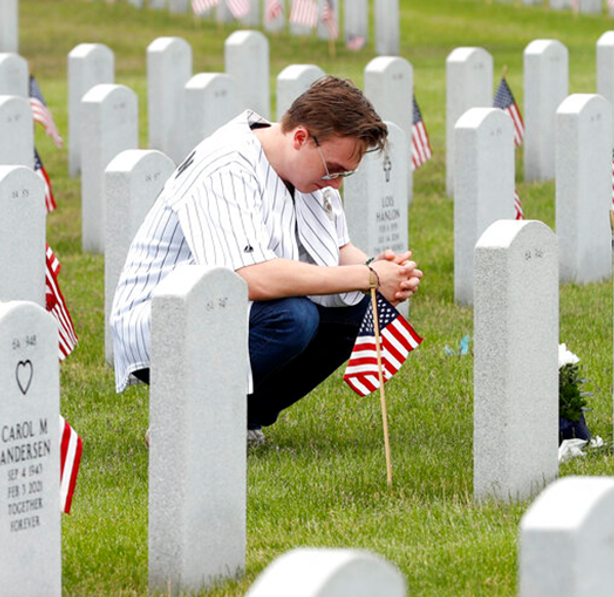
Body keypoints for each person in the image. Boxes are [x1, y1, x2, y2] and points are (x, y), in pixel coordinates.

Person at [111, 76, 423, 443]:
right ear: (301, 137)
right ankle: (184, 420)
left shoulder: (306, 173)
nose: (336, 183)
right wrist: (368, 276)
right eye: (334, 169)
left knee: (366, 309)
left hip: (233, 311)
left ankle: (240, 419)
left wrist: (386, 273)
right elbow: (250, 278)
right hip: (164, 321)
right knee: (293, 318)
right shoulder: (226, 165)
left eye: (345, 174)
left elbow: (338, 250)